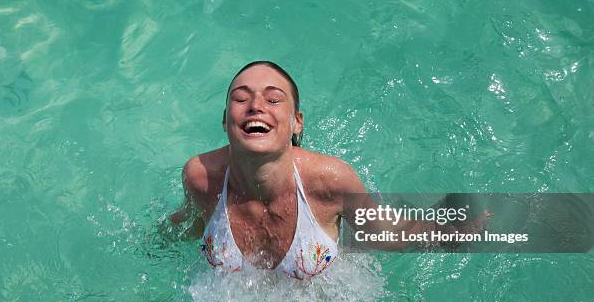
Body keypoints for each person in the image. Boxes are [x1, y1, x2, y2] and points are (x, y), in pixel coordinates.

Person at [170, 61, 488, 279]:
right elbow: (190, 226)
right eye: (241, 99)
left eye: (273, 99)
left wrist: (446, 230)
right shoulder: (201, 177)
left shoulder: (329, 182)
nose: (256, 105)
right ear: (226, 119)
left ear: (297, 121)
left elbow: (381, 232)